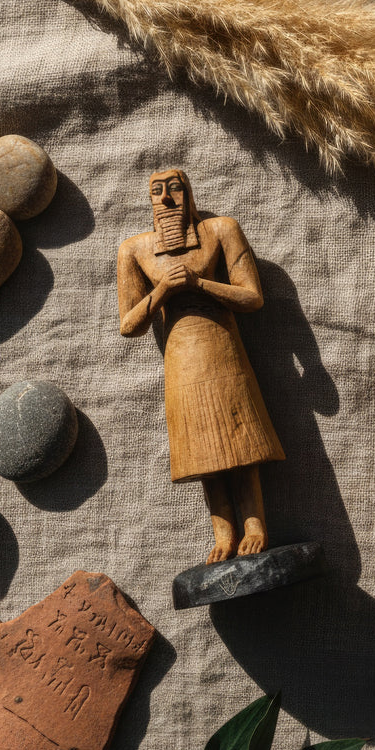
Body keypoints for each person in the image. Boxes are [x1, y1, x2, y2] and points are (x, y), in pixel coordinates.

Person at [117, 169, 284, 564]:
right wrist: (162, 290)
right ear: (150, 203)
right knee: (203, 449)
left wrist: (199, 283)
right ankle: (223, 534)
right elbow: (128, 325)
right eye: (157, 192)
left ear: (189, 195)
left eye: (175, 189)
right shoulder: (135, 249)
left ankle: (257, 526)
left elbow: (252, 297)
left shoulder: (220, 230)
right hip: (181, 361)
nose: (167, 200)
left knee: (240, 438)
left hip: (222, 349)